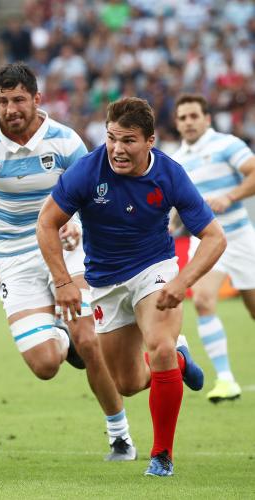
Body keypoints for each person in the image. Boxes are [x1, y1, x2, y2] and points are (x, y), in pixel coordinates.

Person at [0, 62, 137, 461]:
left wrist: (78, 226)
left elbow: (95, 195)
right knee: (45, 364)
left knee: (88, 340)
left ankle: (119, 436)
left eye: (18, 99)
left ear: (37, 99)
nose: (10, 108)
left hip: (67, 250)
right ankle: (63, 340)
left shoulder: (66, 142)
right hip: (13, 258)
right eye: (2, 101)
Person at [37, 97, 226, 476]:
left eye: (129, 141)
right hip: (105, 282)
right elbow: (46, 223)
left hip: (154, 269)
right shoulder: (88, 171)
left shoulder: (170, 175)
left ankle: (162, 455)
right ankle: (181, 359)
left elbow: (214, 237)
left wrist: (182, 280)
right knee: (127, 383)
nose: (118, 149)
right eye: (111, 138)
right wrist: (62, 282)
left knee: (159, 350)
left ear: (150, 141)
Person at [171, 93, 255, 403]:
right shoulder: (177, 160)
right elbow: (179, 204)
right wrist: (169, 224)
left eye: (194, 116)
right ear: (177, 124)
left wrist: (230, 197)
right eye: (183, 118)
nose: (189, 122)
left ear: (207, 119)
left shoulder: (226, 144)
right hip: (205, 241)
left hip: (240, 237)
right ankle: (226, 380)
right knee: (204, 301)